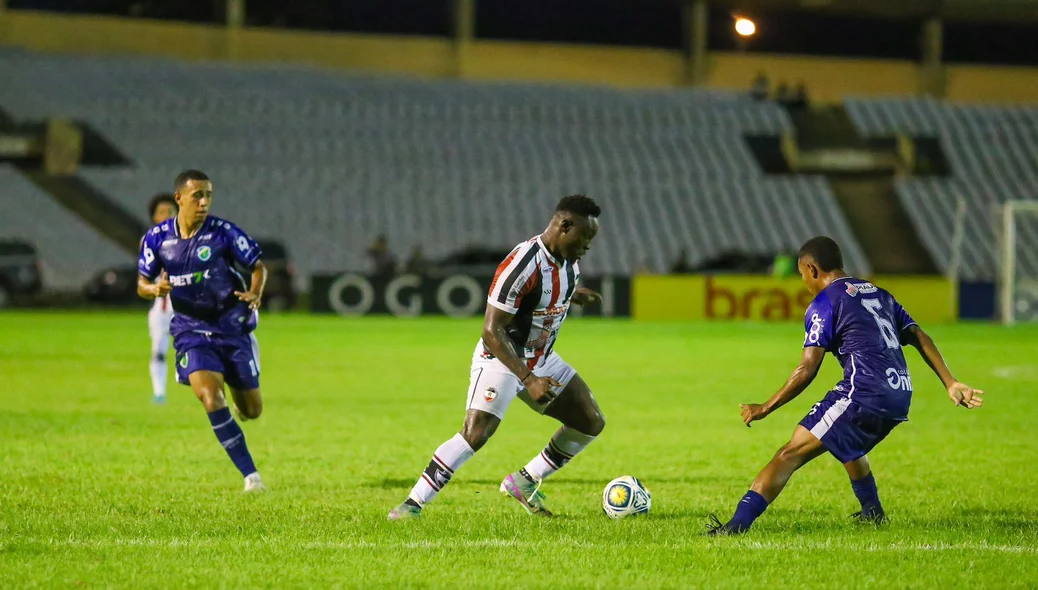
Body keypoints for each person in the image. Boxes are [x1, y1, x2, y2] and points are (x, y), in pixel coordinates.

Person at [707, 236, 985, 535]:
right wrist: (950, 382)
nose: (804, 283)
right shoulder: (879, 293)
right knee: (847, 441)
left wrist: (765, 407)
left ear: (812, 269)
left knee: (789, 454)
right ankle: (873, 513)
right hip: (900, 393)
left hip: (864, 392)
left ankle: (736, 526)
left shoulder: (825, 302)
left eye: (802, 275)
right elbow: (918, 336)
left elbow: (806, 368)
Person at [388, 195, 605, 520]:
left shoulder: (568, 261)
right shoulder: (522, 263)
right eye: (585, 236)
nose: (588, 245)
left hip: (540, 357)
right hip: (501, 359)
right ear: (564, 226)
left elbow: (545, 291)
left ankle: (524, 481)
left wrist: (573, 294)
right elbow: (492, 330)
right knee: (476, 433)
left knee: (590, 421)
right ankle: (412, 504)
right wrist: (528, 379)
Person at [137, 170, 269, 492]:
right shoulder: (156, 239)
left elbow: (258, 266)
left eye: (208, 195)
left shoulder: (223, 233)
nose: (204, 202)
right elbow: (141, 283)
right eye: (198, 195)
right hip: (190, 330)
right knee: (210, 397)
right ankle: (251, 476)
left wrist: (255, 292)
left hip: (230, 326)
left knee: (252, 410)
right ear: (179, 198)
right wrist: (153, 289)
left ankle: (242, 394)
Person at [145, 193, 177, 404]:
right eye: (161, 212)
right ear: (154, 217)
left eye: (169, 211)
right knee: (158, 351)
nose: (165, 215)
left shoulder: (190, 236)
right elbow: (144, 276)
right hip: (162, 309)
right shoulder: (150, 240)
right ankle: (159, 393)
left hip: (188, 307)